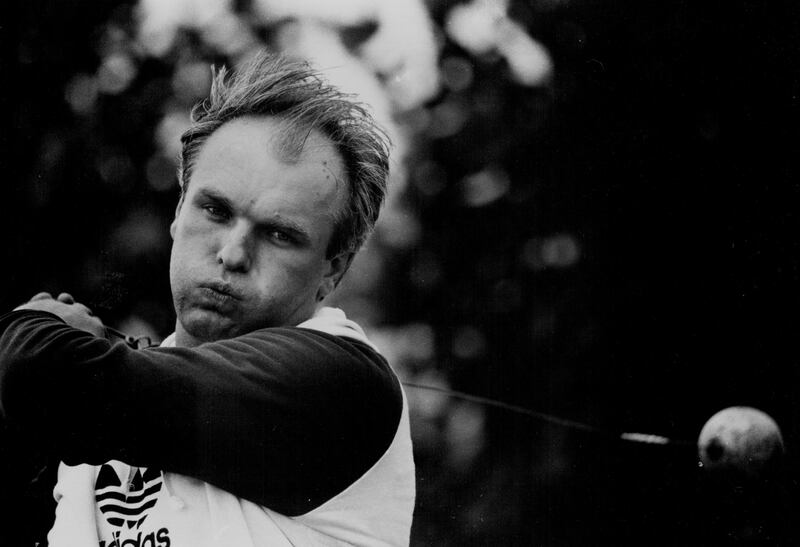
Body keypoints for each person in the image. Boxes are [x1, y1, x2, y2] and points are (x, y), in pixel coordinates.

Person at [0, 52, 415, 546]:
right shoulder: (118, 393)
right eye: (216, 210)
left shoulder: (343, 384)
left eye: (280, 234)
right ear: (179, 210)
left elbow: (41, 369)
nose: (233, 253)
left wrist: (39, 322)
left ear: (333, 271)